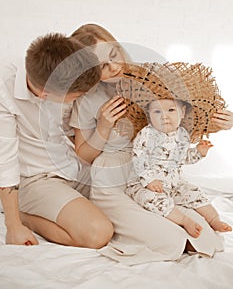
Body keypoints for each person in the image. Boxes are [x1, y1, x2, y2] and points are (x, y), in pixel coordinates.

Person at [69, 23, 233, 265]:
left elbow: (176, 130)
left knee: (205, 239)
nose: (113, 67)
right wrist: (103, 127)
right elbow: (83, 155)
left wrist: (219, 125)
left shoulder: (152, 82)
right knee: (171, 240)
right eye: (102, 66)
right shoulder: (87, 99)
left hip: (153, 179)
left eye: (113, 55)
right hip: (111, 181)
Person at [0, 33, 114, 247]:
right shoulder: (4, 90)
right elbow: (4, 164)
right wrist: (14, 224)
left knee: (129, 197)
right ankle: (25, 215)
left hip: (71, 165)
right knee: (98, 233)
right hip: (35, 179)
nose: (79, 100)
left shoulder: (55, 64)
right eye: (76, 96)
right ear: (45, 94)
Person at [125, 98, 232, 238]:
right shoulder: (146, 134)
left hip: (175, 184)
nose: (164, 116)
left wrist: (198, 152)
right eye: (157, 111)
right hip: (147, 184)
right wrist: (149, 180)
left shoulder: (182, 135)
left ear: (182, 112)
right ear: (149, 115)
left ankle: (214, 219)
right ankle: (183, 220)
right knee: (151, 199)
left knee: (195, 192)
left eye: (171, 110)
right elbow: (138, 157)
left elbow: (183, 158)